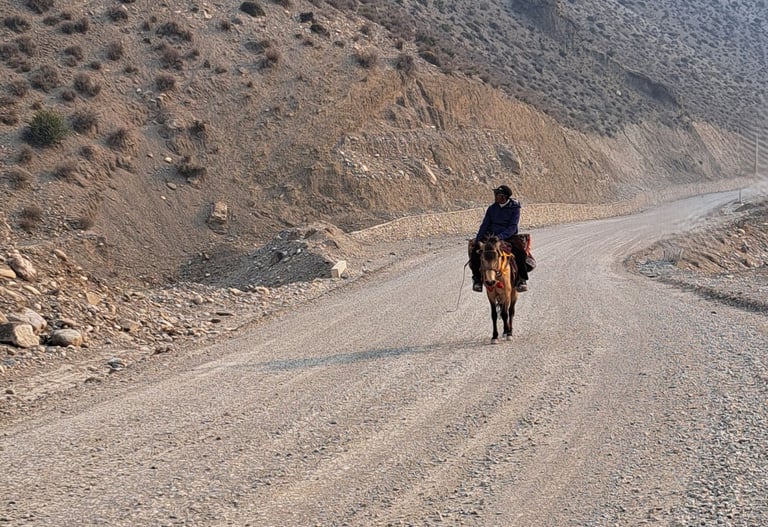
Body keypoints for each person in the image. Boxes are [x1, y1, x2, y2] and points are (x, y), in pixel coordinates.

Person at [470, 184, 529, 292]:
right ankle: (477, 280)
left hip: (508, 236)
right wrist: (479, 240)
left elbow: (512, 226)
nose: (495, 196)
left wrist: (500, 237)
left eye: (497, 194)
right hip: (490, 236)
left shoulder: (514, 208)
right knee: (475, 252)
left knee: (520, 252)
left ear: (504, 197)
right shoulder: (492, 208)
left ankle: (522, 279)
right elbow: (485, 225)